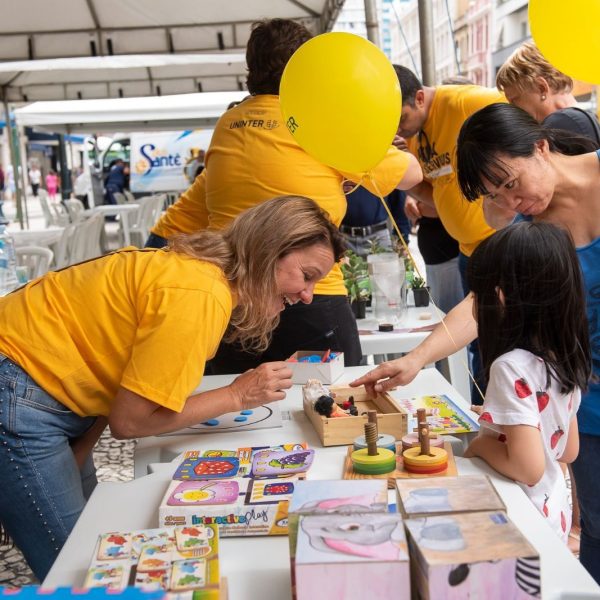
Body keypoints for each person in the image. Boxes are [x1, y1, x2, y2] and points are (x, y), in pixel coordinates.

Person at [0, 195, 345, 581]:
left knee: (93, 545)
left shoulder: (199, 276)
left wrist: (79, 450)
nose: (308, 295)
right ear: (269, 251)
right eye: (307, 275)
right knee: (84, 574)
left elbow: (109, 372)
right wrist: (236, 395)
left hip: (36, 388)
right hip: (19, 388)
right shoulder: (199, 294)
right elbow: (131, 422)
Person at [352, 103, 600, 583]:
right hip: (583, 392)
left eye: (510, 183)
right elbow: (485, 302)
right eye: (494, 194)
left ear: (541, 146)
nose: (510, 201)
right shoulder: (529, 225)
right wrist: (415, 360)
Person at [145, 19, 422, 373]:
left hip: (234, 303)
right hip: (312, 298)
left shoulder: (228, 127)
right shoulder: (314, 121)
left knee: (237, 420)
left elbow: (174, 225)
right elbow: (411, 174)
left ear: (251, 70)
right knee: (331, 414)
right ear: (309, 68)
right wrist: (363, 150)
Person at [463, 222, 589, 543]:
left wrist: (481, 445)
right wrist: (503, 423)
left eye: (476, 294)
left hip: (520, 516)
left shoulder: (510, 367)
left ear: (500, 297)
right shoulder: (565, 355)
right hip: (553, 514)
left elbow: (528, 467)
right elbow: (568, 448)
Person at [393, 66, 504, 400]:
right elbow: (432, 188)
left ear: (421, 97)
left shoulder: (470, 102)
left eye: (401, 118)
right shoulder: (411, 135)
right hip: (467, 251)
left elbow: (525, 139)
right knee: (479, 345)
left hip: (498, 244)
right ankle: (484, 410)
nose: (398, 128)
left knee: (501, 344)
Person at [496, 42, 600, 145]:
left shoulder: (561, 123)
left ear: (541, 88)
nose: (512, 109)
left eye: (515, 100)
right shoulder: (581, 118)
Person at [340, 183, 410, 257]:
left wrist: (403, 240)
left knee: (385, 267)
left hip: (378, 236)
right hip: (342, 237)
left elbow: (398, 202)